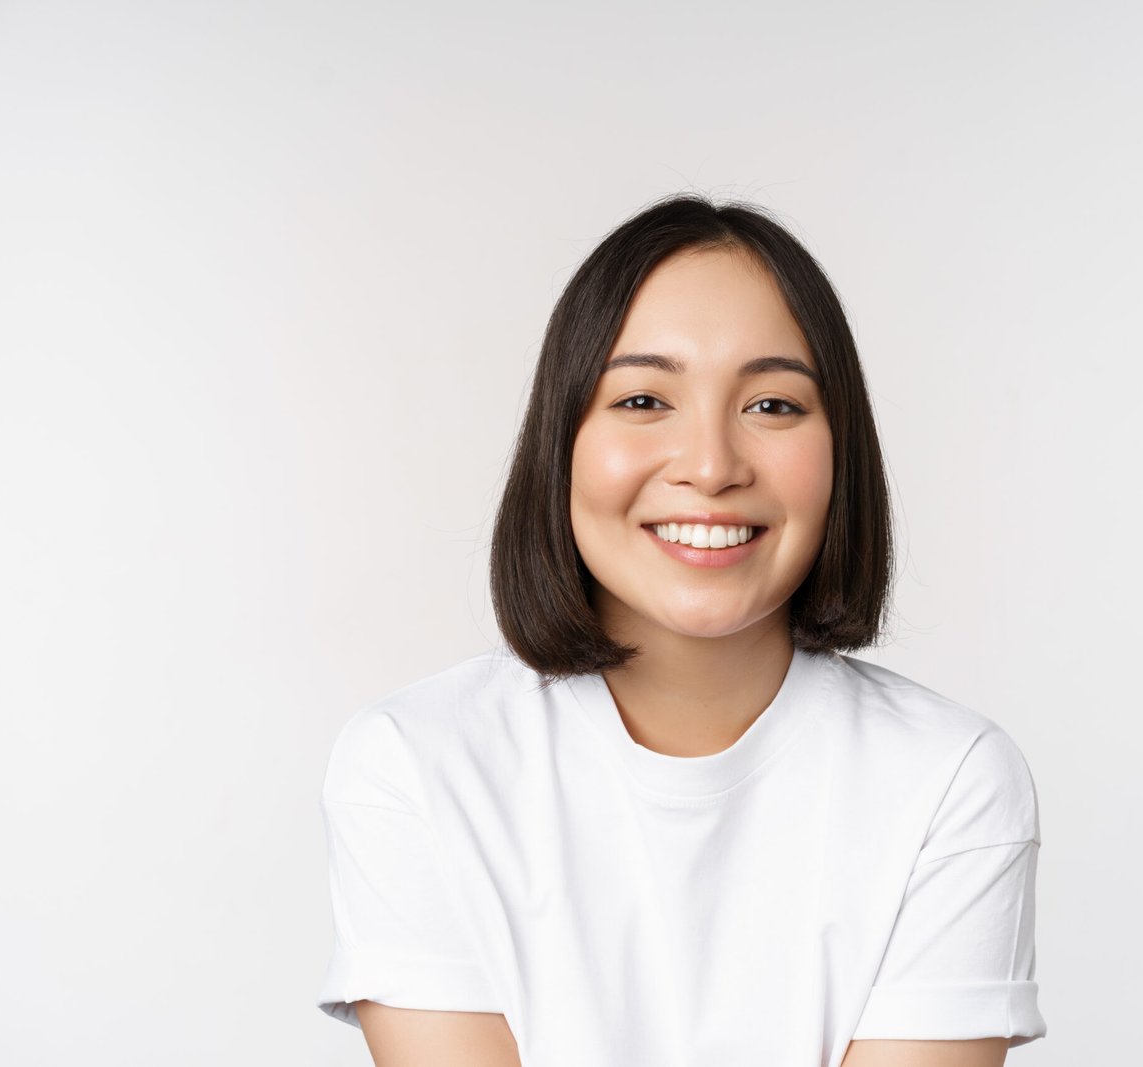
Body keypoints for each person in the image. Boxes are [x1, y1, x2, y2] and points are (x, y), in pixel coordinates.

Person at [314, 194, 1047, 1067]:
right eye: (643, 399)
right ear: (564, 442)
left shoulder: (949, 781)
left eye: (773, 405)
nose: (710, 466)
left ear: (840, 452)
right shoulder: (417, 762)